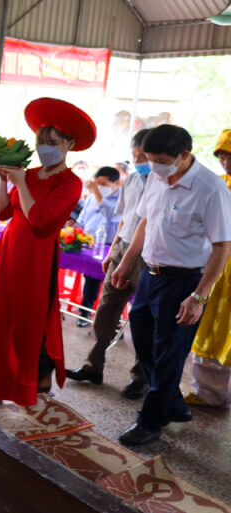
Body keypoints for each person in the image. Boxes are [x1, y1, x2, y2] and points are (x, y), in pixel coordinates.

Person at [0, 98, 96, 410]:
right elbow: (3, 213)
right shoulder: (28, 173)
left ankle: (20, 384)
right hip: (8, 252)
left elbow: (39, 221)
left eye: (52, 142)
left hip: (36, 259)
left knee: (23, 324)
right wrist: (3, 181)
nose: (44, 147)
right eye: (41, 140)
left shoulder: (71, 182)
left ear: (69, 145)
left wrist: (20, 182)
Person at [112, 124, 231, 446]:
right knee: (143, 338)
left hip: (184, 281)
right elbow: (145, 223)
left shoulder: (211, 189)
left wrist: (198, 296)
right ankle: (173, 402)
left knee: (169, 353)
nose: (155, 167)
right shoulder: (156, 179)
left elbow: (222, 247)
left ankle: (151, 421)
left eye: (161, 160)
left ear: (184, 156)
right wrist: (125, 263)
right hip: (151, 275)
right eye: (150, 160)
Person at [66, 129, 151, 397]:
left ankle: (141, 376)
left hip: (149, 255)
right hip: (122, 249)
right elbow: (124, 220)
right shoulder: (132, 181)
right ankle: (93, 366)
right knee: (104, 311)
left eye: (144, 156)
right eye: (135, 155)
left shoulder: (165, 184)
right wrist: (113, 252)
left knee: (142, 319)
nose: (139, 161)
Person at [183, 130, 231, 407]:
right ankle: (208, 392)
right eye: (222, 155)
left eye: (230, 155)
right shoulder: (218, 185)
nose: (225, 161)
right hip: (215, 267)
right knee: (209, 327)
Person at [74, 166, 122, 327]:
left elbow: (111, 216)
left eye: (104, 183)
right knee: (91, 279)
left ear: (116, 183)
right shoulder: (91, 197)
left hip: (110, 246)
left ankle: (111, 320)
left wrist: (97, 192)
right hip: (90, 243)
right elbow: (82, 217)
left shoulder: (121, 199)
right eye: (97, 182)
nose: (99, 185)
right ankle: (85, 312)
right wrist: (73, 228)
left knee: (111, 283)